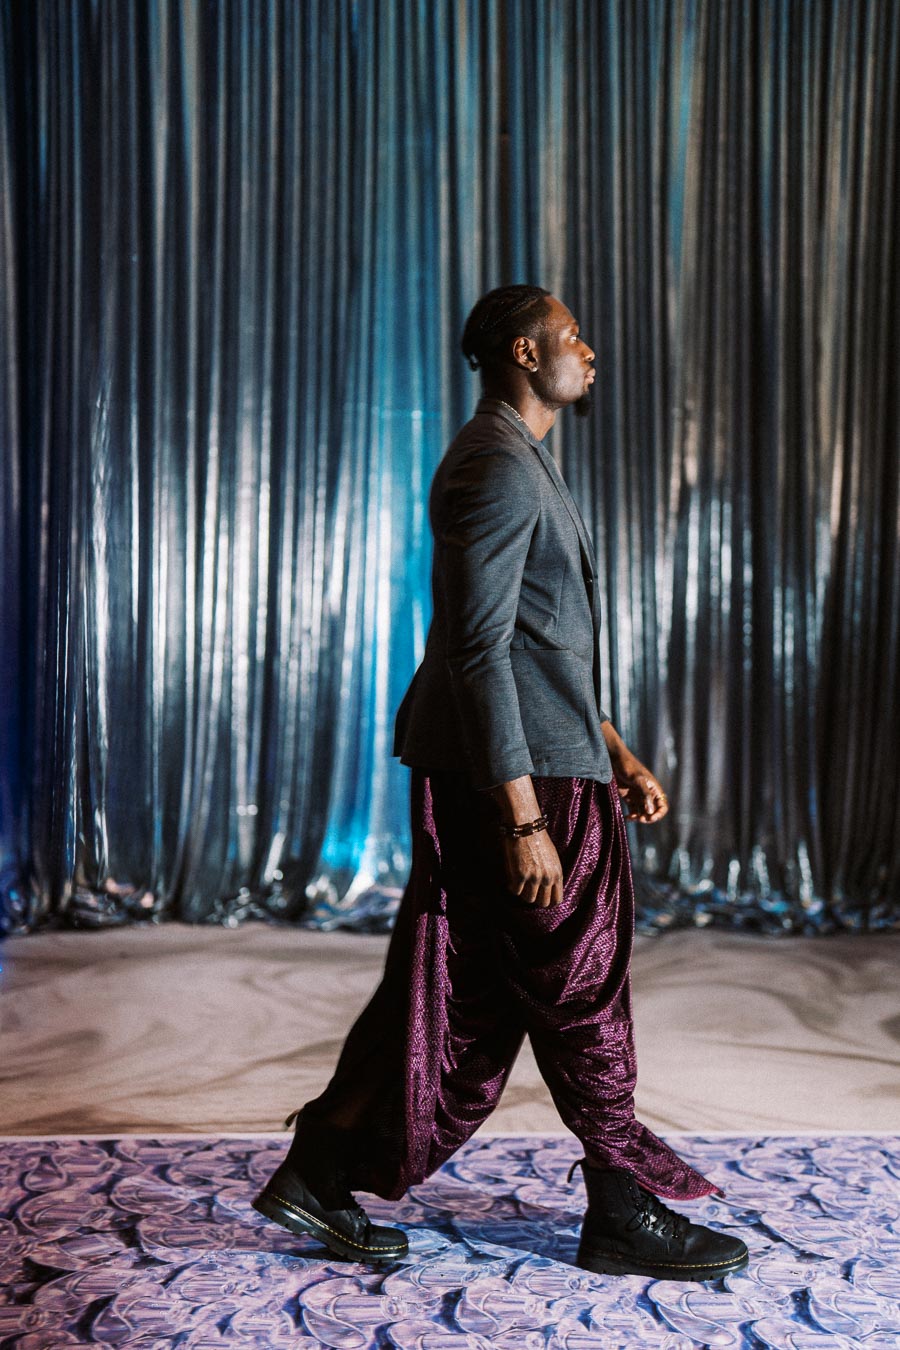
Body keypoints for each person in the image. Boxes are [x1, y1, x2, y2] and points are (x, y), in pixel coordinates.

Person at [253, 285, 749, 1281]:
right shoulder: (495, 467)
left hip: (545, 762)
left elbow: (532, 646)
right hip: (519, 781)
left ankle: (316, 1172)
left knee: (457, 993)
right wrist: (525, 816)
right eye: (575, 336)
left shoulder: (518, 461)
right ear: (526, 351)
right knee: (581, 991)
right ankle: (622, 1211)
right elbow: (476, 653)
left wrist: (612, 748)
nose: (590, 350)